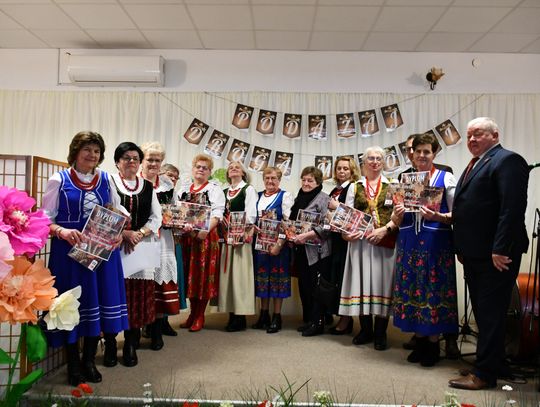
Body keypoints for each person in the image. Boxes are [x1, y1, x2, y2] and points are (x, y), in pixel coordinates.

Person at [42, 131, 129, 386]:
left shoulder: (106, 179)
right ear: (76, 151)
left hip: (101, 251)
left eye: (97, 151)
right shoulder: (58, 180)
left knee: (97, 302)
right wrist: (62, 231)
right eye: (87, 149)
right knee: (70, 306)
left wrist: (119, 232)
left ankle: (89, 360)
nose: (92, 155)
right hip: (69, 252)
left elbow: (117, 211)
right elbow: (45, 219)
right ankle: (73, 364)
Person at [449, 117, 529, 390]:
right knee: (485, 314)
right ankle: (495, 363)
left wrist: (500, 248)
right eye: (469, 135)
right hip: (475, 252)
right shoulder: (477, 162)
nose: (472, 139)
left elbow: (512, 208)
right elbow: (472, 207)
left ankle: (483, 375)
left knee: (491, 314)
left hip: (495, 255)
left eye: (478, 134)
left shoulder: (507, 160)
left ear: (494, 135)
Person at [391, 133, 459, 367]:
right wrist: (396, 214)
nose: (421, 155)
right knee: (412, 289)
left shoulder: (445, 177)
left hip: (435, 243)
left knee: (433, 291)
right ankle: (420, 341)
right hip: (409, 242)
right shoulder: (405, 178)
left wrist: (438, 216)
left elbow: (458, 213)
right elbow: (396, 218)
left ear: (434, 153)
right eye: (417, 151)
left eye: (426, 151)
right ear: (412, 153)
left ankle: (433, 344)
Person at [339, 146, 398, 350]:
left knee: (382, 284)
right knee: (362, 283)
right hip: (360, 243)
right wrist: (346, 234)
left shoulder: (392, 185)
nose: (374, 162)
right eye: (370, 158)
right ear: (364, 162)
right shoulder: (355, 187)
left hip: (384, 241)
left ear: (383, 162)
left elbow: (398, 216)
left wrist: (384, 231)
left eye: (378, 158)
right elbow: (346, 215)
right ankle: (365, 330)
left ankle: (381, 332)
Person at [110, 142, 161, 367]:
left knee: (138, 297)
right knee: (113, 295)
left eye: (135, 158)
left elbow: (156, 217)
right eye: (126, 158)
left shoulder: (148, 186)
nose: (131, 161)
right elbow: (104, 211)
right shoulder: (109, 182)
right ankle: (110, 343)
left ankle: (131, 344)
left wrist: (139, 234)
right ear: (117, 162)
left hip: (140, 249)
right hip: (114, 248)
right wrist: (124, 233)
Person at [177, 154, 225, 332]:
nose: (201, 170)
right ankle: (192, 313)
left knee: (202, 276)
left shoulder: (214, 189)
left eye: (205, 168)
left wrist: (206, 230)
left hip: (206, 238)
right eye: (198, 166)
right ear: (193, 169)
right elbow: (178, 211)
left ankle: (200, 315)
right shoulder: (183, 189)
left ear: (210, 172)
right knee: (189, 275)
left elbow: (218, 213)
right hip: (187, 237)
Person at [140, 142, 180, 348]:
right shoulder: (134, 182)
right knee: (140, 285)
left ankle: (156, 331)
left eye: (158, 160)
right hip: (140, 240)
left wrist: (177, 220)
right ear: (142, 160)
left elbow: (176, 210)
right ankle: (138, 330)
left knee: (160, 285)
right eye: (150, 159)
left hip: (162, 240)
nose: (154, 163)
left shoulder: (167, 184)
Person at [289, 167, 332, 337]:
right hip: (301, 250)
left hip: (317, 251)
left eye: (310, 180)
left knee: (316, 288)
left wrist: (307, 236)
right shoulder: (299, 197)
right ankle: (309, 320)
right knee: (305, 286)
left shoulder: (324, 198)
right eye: (304, 180)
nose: (306, 183)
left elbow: (328, 226)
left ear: (318, 183)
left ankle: (318, 322)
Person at [252, 166, 294, 334]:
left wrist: (279, 244)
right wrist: (253, 228)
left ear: (279, 180)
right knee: (263, 279)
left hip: (278, 246)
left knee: (277, 281)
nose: (270, 181)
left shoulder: (285, 196)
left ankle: (277, 317)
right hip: (260, 245)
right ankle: (264, 315)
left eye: (273, 178)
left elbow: (288, 224)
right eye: (267, 178)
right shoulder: (257, 196)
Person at [218, 161, 257, 331]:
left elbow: (251, 215)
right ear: (228, 173)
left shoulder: (248, 189)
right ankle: (231, 314)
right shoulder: (223, 192)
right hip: (226, 239)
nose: (233, 168)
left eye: (237, 167)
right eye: (231, 167)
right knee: (228, 277)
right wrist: (222, 220)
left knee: (240, 277)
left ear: (243, 173)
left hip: (240, 239)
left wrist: (235, 225)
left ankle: (240, 317)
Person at [327, 157, 360, 335]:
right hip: (335, 238)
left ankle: (346, 320)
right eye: (339, 168)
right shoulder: (335, 189)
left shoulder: (353, 187)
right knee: (336, 278)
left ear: (352, 171)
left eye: (346, 169)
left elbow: (355, 214)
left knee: (344, 279)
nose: (341, 171)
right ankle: (341, 317)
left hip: (346, 240)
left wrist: (336, 206)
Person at [159, 163, 186, 335]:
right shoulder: (152, 189)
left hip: (170, 240)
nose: (173, 179)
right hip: (152, 239)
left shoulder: (174, 195)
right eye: (170, 175)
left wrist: (183, 223)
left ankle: (163, 321)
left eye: (176, 177)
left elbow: (179, 219)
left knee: (168, 282)